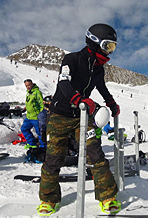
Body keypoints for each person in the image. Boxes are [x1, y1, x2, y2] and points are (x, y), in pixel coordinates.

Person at [37, 23, 121, 216]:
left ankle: (107, 197)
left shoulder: (98, 69)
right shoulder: (72, 59)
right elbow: (63, 82)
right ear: (94, 42)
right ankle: (48, 200)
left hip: (82, 116)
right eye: (108, 46)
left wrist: (111, 102)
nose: (110, 51)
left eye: (112, 47)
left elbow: (102, 88)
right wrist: (78, 99)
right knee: (54, 158)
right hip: (60, 114)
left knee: (96, 155)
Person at [21, 79, 46, 150]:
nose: (28, 87)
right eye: (26, 86)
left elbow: (41, 104)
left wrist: (41, 115)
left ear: (32, 84)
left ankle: (43, 147)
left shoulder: (37, 92)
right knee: (24, 128)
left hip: (36, 117)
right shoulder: (29, 92)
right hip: (29, 116)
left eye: (29, 85)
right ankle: (32, 143)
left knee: (40, 133)